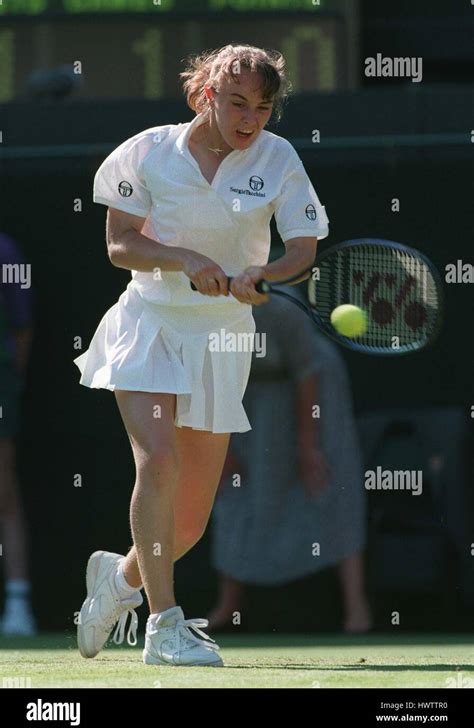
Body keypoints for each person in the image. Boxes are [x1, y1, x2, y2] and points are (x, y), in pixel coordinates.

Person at [73, 44, 329, 667]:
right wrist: (184, 259)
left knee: (186, 525)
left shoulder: (279, 158)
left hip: (223, 338)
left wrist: (264, 272)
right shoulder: (146, 153)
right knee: (157, 461)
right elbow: (119, 245)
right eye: (236, 103)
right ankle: (165, 626)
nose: (249, 119)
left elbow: (303, 247)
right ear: (204, 96)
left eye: (262, 109)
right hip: (149, 323)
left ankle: (119, 583)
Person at [207, 292, 372, 634]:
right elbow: (212, 383)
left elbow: (306, 375)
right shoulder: (205, 315)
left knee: (331, 482)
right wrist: (221, 448)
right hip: (251, 398)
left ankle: (357, 608)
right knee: (234, 491)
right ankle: (227, 607)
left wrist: (308, 446)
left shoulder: (281, 310)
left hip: (313, 390)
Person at [0, 233, 36, 636]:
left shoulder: (7, 252)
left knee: (2, 489)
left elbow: (23, 328)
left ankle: (18, 606)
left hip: (1, 382)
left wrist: (10, 382)